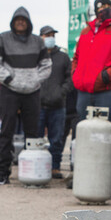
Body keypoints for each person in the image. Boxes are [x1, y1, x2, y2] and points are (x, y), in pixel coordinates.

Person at [0, 7, 51, 186]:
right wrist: (8, 78)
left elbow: (46, 64)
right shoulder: (2, 38)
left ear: (29, 22)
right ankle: (2, 173)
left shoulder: (38, 41)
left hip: (32, 91)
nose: (21, 22)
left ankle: (31, 173)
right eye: (18, 19)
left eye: (24, 19)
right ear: (13, 21)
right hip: (9, 90)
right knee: (6, 131)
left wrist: (35, 80)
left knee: (32, 133)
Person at [71, 0, 111, 126]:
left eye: (107, 6)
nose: (104, 10)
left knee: (106, 133)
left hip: (107, 91)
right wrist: (75, 73)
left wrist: (106, 76)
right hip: (84, 91)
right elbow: (76, 57)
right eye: (100, 7)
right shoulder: (85, 32)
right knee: (83, 132)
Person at [38, 25, 73, 178]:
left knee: (57, 139)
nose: (50, 38)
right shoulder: (36, 56)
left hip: (58, 105)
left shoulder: (63, 57)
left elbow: (69, 79)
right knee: (36, 138)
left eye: (52, 35)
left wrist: (61, 92)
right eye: (47, 35)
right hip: (38, 105)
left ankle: (55, 167)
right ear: (41, 37)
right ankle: (37, 166)